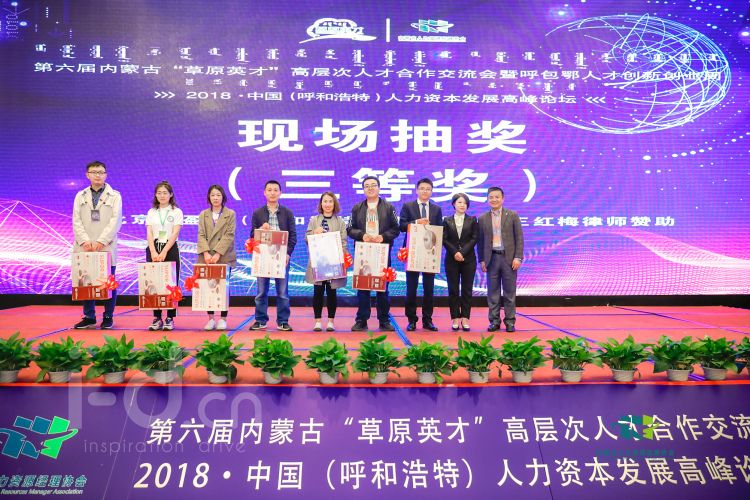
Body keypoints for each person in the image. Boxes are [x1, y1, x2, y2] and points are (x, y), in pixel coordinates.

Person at [72, 161, 122, 330]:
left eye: (101, 172)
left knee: (108, 283)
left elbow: (115, 221)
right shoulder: (80, 195)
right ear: (87, 175)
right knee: (87, 281)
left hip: (105, 246)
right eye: (94, 172)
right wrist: (84, 240)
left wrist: (101, 240)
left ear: (106, 175)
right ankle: (89, 316)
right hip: (85, 246)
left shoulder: (115, 196)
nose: (98, 175)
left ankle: (108, 316)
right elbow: (76, 220)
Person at [348, 176, 400, 332]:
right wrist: (361, 235)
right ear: (363, 189)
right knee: (363, 289)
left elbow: (396, 229)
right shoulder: (357, 208)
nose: (370, 188)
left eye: (373, 185)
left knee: (382, 288)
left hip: (382, 251)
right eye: (367, 186)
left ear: (379, 188)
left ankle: (384, 320)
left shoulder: (389, 207)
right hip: (363, 251)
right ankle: (361, 320)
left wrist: (383, 237)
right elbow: (349, 229)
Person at [249, 180, 297, 331]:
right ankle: (260, 320)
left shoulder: (287, 213)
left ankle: (283, 321)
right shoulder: (258, 213)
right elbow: (252, 236)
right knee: (261, 292)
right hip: (263, 257)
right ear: (264, 193)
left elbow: (293, 236)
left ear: (280, 193)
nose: (272, 193)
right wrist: (260, 229)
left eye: (275, 190)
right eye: (269, 190)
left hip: (281, 257)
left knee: (282, 292)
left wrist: (288, 253)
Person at [399, 178, 443, 332]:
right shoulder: (408, 206)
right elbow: (401, 226)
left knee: (429, 289)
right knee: (411, 288)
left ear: (431, 191)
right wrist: (417, 222)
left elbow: (440, 230)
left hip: (429, 253)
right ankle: (411, 320)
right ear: (417, 190)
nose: (425, 191)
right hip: (413, 252)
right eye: (422, 188)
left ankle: (427, 320)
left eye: (428, 189)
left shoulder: (437, 209)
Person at [477, 187, 524, 333]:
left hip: (509, 259)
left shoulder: (512, 215)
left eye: (497, 197)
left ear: (502, 199)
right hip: (491, 258)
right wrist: (482, 260)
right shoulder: (482, 218)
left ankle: (510, 321)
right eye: (491, 197)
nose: (494, 199)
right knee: (493, 293)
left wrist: (518, 257)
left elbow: (519, 238)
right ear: (487, 199)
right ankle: (494, 321)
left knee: (509, 292)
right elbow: (480, 241)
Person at [305, 192, 348, 332]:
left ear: (334, 203)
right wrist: (314, 233)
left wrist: (341, 257)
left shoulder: (340, 221)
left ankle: (330, 321)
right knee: (317, 292)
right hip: (318, 262)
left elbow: (344, 241)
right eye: (325, 201)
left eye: (330, 201)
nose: (328, 204)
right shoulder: (314, 220)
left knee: (331, 292)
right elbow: (306, 238)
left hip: (334, 262)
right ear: (321, 204)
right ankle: (317, 321)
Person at [197, 185, 236, 331]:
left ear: (223, 197)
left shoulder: (230, 214)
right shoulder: (203, 214)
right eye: (213, 195)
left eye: (218, 195)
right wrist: (206, 253)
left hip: (224, 256)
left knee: (223, 288)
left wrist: (218, 253)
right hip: (207, 257)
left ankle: (223, 319)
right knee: (208, 287)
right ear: (209, 197)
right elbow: (201, 235)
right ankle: (211, 319)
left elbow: (229, 235)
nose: (215, 198)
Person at [145, 181, 183, 331]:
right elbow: (149, 232)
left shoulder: (176, 211)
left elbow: (175, 233)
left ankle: (170, 318)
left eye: (165, 193)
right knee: (154, 283)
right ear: (155, 195)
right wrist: (153, 251)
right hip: (153, 247)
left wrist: (165, 251)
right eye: (159, 193)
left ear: (171, 194)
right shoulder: (151, 212)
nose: (162, 196)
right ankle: (157, 317)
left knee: (171, 284)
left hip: (170, 247)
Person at [442, 193, 479, 331]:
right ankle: (455, 318)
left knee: (467, 289)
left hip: (468, 259)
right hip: (451, 259)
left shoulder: (472, 220)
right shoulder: (446, 220)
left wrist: (462, 253)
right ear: (453, 204)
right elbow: (444, 239)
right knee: (453, 289)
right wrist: (455, 253)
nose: (462, 205)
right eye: (459, 202)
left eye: (465, 203)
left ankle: (465, 317)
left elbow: (474, 238)